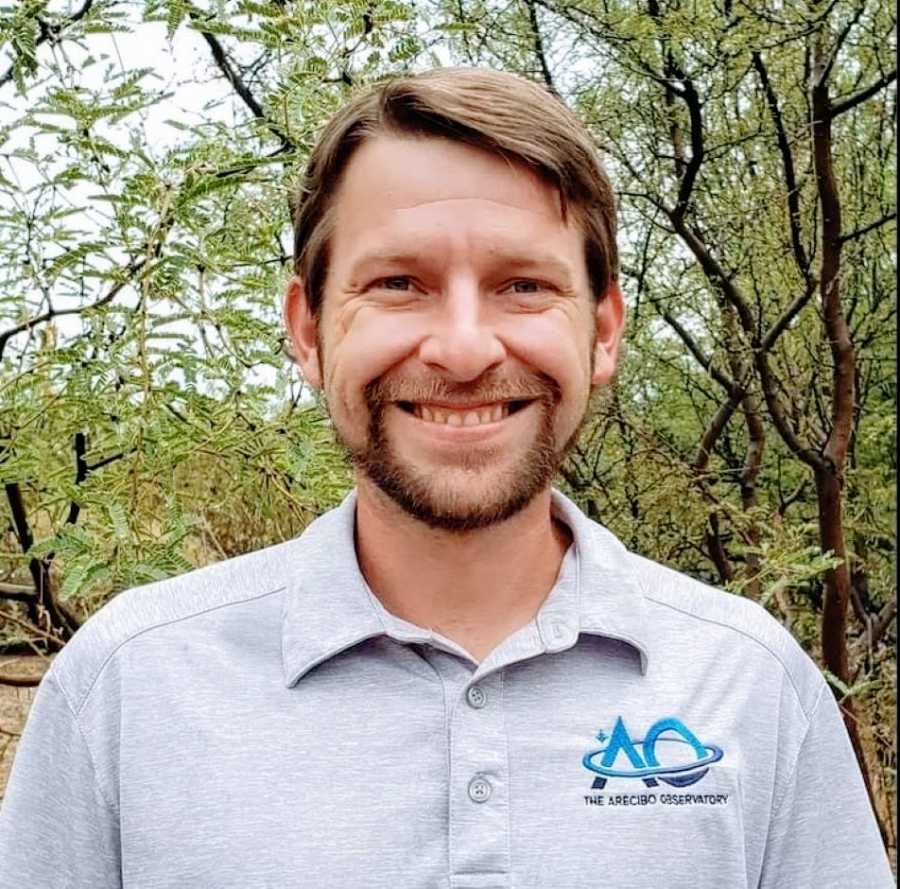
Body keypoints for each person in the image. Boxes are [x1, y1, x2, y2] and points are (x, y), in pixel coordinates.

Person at [0, 67, 892, 889]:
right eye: (398, 282)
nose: (464, 349)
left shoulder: (750, 681)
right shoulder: (126, 687)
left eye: (523, 286)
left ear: (605, 329)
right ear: (308, 328)